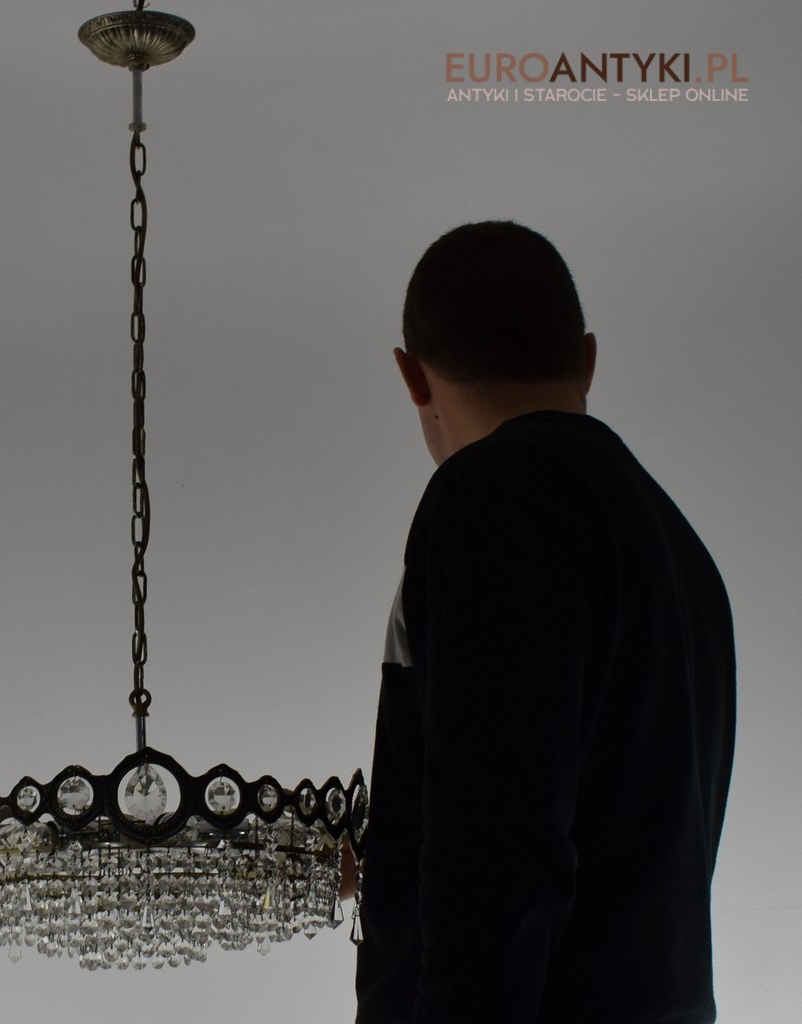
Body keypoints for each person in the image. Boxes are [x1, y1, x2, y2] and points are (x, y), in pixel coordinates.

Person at [354, 221, 736, 1024]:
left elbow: (495, 854)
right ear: (586, 359)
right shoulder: (677, 547)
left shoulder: (491, 496)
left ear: (411, 375)